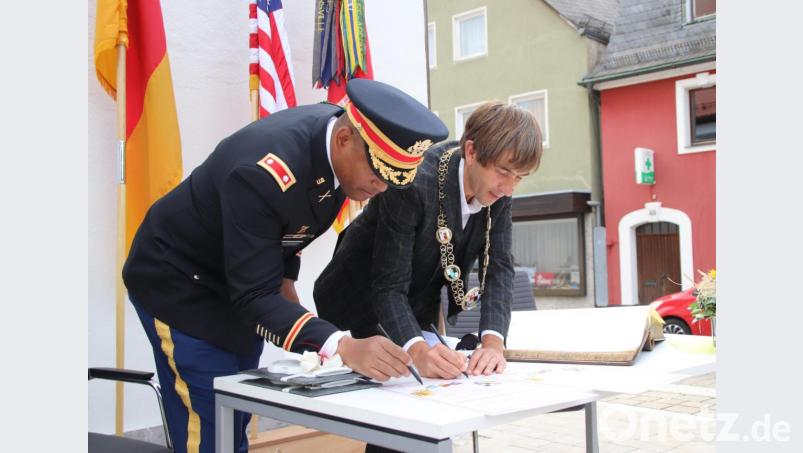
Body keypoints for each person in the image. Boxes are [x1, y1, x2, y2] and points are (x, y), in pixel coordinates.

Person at [122, 79, 449, 453]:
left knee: (235, 412)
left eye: (391, 179)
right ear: (344, 140)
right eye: (376, 175)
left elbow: (290, 227)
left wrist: (289, 293)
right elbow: (255, 293)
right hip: (180, 282)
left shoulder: (340, 146)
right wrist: (341, 345)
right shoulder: (262, 172)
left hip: (238, 278)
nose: (380, 189)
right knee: (209, 422)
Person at [314, 101, 543, 383]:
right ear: (472, 151)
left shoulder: (499, 192)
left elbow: (500, 268)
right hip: (353, 305)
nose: (508, 188)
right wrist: (417, 351)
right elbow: (388, 285)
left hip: (414, 311)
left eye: (519, 177)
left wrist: (493, 345)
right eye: (504, 172)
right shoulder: (412, 182)